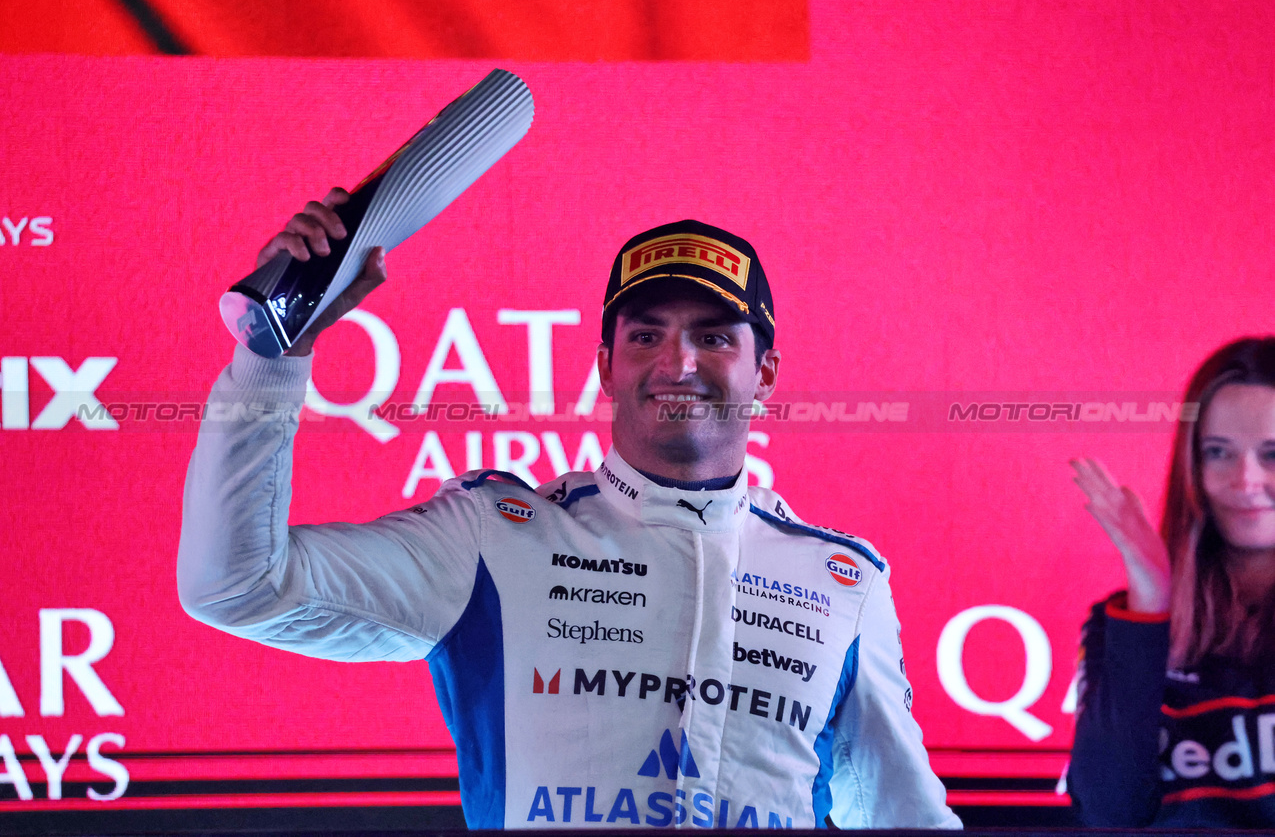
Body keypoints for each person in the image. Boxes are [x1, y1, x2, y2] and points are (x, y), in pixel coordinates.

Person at [178, 189, 959, 829]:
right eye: (646, 334)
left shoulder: (840, 581)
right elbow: (236, 585)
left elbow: (906, 815)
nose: (677, 362)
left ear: (766, 374)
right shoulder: (492, 535)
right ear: (604, 367)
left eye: (715, 337)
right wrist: (269, 353)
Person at [1068, 337, 1275, 828]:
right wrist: (1151, 600)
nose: (1245, 480)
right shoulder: (1125, 623)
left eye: (1273, 453)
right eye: (1219, 453)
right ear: (1191, 464)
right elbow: (1109, 812)